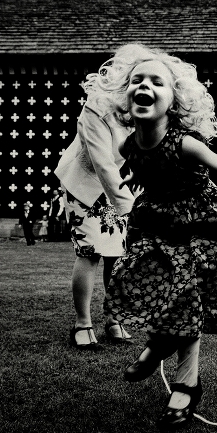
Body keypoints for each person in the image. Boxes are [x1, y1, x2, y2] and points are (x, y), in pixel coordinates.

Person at [100, 43, 217, 423]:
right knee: (140, 279)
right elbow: (140, 166)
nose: (144, 86)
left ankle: (184, 385)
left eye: (156, 82)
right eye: (136, 80)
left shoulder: (185, 143)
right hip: (157, 222)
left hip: (204, 225)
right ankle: (160, 343)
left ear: (174, 101)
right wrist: (135, 176)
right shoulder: (127, 143)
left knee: (186, 298)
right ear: (124, 94)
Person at [56, 67, 136, 347]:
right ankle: (82, 324)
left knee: (117, 256)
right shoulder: (97, 107)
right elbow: (101, 161)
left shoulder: (146, 109)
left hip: (120, 185)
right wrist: (128, 207)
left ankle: (113, 320)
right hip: (85, 184)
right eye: (135, 80)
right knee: (90, 252)